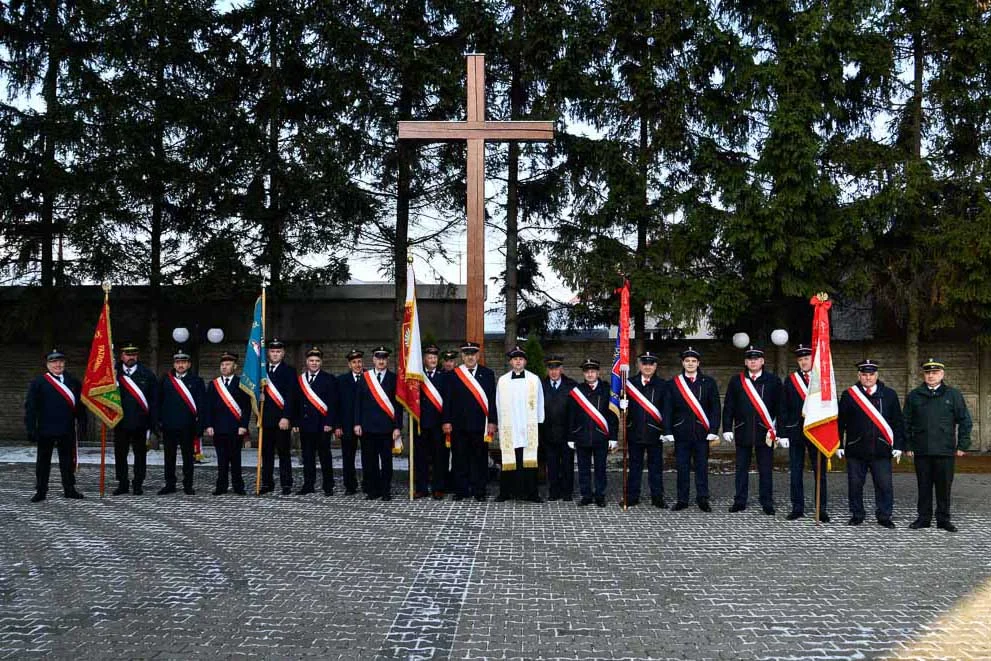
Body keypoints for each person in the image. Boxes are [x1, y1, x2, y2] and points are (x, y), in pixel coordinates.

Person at [904, 358, 973, 532]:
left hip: (945, 450)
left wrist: (963, 445)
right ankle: (923, 519)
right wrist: (908, 445)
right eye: (928, 372)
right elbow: (906, 423)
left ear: (942, 374)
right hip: (922, 449)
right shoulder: (914, 395)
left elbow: (965, 421)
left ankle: (943, 519)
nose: (931, 376)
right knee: (924, 486)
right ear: (924, 375)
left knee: (944, 487)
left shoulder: (953, 395)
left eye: (935, 373)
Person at [837, 359, 905, 528]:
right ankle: (857, 514)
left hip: (881, 449)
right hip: (856, 449)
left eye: (871, 374)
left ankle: (884, 516)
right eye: (864, 374)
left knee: (884, 485)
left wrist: (898, 445)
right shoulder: (849, 395)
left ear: (877, 375)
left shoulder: (889, 394)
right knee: (855, 485)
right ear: (859, 375)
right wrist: (839, 445)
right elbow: (840, 422)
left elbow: (897, 422)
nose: (868, 378)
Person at [722, 346, 783, 515]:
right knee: (741, 469)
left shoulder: (773, 380)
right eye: (749, 359)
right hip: (743, 430)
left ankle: (767, 502)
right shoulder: (736, 381)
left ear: (762, 361)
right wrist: (727, 428)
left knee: (766, 469)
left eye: (756, 359)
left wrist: (780, 431)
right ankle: (740, 501)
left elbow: (780, 408)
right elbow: (729, 407)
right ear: (745, 362)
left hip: (766, 433)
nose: (753, 361)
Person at [25, 349, 87, 502]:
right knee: (43, 462)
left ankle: (69, 489)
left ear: (64, 363)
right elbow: (31, 407)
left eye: (60, 361)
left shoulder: (73, 382)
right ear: (47, 365)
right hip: (46, 429)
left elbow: (80, 406)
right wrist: (31, 428)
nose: (57, 364)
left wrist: (83, 424)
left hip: (67, 429)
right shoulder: (39, 382)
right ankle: (41, 491)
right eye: (53, 362)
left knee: (67, 462)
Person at [664, 347, 720, 512]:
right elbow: (668, 409)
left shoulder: (708, 382)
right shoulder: (674, 383)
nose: (690, 364)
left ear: (698, 363)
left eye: (693, 361)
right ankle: (682, 500)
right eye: (687, 361)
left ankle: (702, 499)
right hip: (681, 433)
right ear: (682, 363)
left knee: (702, 467)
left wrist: (713, 430)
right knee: (682, 467)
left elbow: (715, 408)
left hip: (702, 433)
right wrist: (667, 431)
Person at [442, 341, 497, 502]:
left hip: (481, 425)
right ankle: (461, 490)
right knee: (460, 459)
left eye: (473, 354)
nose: (470, 357)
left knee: (479, 459)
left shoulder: (487, 374)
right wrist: (446, 421)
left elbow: (492, 400)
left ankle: (479, 490)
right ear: (462, 356)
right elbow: (448, 400)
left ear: (478, 356)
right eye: (467, 354)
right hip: (459, 426)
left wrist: (493, 421)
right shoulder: (454, 375)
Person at [781, 344, 829, 522]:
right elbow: (783, 408)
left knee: (820, 472)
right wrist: (783, 432)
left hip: (817, 431)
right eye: (800, 359)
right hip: (796, 432)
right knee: (796, 472)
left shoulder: (822, 380)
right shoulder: (790, 380)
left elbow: (831, 405)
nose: (803, 362)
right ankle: (797, 507)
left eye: (806, 358)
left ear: (812, 360)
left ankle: (821, 509)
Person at [495, 345, 545, 502]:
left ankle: (531, 493)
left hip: (527, 426)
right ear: (511, 362)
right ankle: (506, 492)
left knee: (529, 461)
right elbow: (497, 403)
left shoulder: (534, 379)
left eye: (521, 359)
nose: (518, 362)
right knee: (510, 459)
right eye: (515, 359)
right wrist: (500, 423)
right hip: (510, 427)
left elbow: (540, 401)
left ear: (525, 362)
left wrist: (539, 421)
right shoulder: (503, 381)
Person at [354, 346, 402, 500]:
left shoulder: (394, 379)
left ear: (387, 360)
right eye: (378, 358)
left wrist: (397, 426)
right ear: (373, 359)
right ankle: (373, 490)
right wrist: (357, 423)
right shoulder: (365, 378)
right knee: (370, 461)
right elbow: (358, 403)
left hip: (387, 428)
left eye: (384, 358)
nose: (381, 361)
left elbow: (398, 406)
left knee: (386, 461)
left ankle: (385, 490)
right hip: (368, 427)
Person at [567, 358, 617, 507]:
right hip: (582, 436)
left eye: (593, 371)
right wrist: (571, 436)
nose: (590, 374)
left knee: (600, 469)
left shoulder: (607, 390)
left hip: (601, 436)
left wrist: (613, 437)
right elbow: (571, 415)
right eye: (587, 371)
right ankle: (586, 495)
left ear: (598, 372)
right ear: (584, 373)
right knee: (583, 469)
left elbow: (612, 416)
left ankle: (600, 495)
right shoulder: (577, 391)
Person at [156, 347, 205, 495]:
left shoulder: (197, 381)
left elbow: (201, 405)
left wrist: (199, 426)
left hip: (187, 426)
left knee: (188, 458)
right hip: (169, 426)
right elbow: (158, 402)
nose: (180, 365)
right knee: (169, 457)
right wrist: (159, 422)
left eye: (183, 362)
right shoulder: (165, 380)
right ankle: (169, 484)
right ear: (174, 364)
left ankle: (188, 485)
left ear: (189, 364)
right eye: (178, 362)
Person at [623, 351, 668, 508]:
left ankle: (657, 497)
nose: (647, 367)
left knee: (656, 467)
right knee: (634, 467)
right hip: (635, 431)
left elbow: (667, 410)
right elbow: (621, 407)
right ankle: (632, 497)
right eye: (644, 364)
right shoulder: (629, 384)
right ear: (640, 365)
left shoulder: (663, 385)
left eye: (651, 364)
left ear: (655, 366)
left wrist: (665, 431)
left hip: (655, 433)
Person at [203, 351, 251, 496]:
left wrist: (243, 425)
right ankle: (221, 486)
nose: (224, 367)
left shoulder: (242, 384)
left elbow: (246, 407)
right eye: (222, 364)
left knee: (236, 459)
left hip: (236, 428)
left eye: (228, 364)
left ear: (235, 366)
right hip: (218, 428)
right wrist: (209, 425)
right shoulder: (214, 384)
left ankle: (238, 486)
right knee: (221, 460)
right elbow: (208, 407)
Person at [114, 342, 157, 495]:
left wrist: (153, 423)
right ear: (122, 356)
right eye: (127, 354)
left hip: (141, 422)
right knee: (120, 455)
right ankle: (122, 483)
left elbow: (153, 400)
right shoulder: (113, 373)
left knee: (140, 455)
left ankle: (138, 483)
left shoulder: (147, 374)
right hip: (120, 422)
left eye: (133, 354)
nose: (131, 357)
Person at [294, 346, 337, 495]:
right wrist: (296, 422)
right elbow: (296, 403)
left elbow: (332, 403)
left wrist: (329, 423)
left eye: (317, 361)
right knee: (307, 457)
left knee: (325, 456)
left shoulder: (329, 379)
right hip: (306, 425)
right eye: (311, 360)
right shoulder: (300, 380)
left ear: (321, 362)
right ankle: (308, 485)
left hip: (322, 425)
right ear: (307, 362)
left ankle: (328, 486)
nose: (314, 363)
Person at [260, 338, 297, 495]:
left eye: (278, 352)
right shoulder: (261, 371)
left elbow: (291, 396)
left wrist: (287, 417)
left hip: (282, 419)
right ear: (268, 353)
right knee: (266, 454)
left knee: (283, 453)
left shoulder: (289, 371)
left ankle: (286, 483)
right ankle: (267, 483)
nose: (275, 354)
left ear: (283, 354)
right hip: (265, 418)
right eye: (273, 351)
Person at [540, 355, 576, 501]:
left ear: (561, 369)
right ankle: (554, 491)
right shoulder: (540, 385)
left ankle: (567, 492)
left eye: (556, 368)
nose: (554, 372)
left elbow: (575, 411)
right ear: (547, 370)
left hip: (566, 432)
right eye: (551, 369)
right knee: (552, 465)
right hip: (547, 433)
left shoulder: (571, 385)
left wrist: (573, 434)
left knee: (567, 464)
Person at [414, 344, 447, 499]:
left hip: (438, 425)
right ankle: (421, 488)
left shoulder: (444, 377)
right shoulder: (417, 378)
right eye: (429, 357)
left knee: (438, 457)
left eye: (435, 357)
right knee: (420, 457)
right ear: (424, 360)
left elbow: (448, 402)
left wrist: (447, 421)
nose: (433, 360)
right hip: (420, 424)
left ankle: (438, 488)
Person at [334, 349, 364, 495]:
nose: (357, 365)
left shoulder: (369, 378)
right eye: (354, 362)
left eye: (359, 361)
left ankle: (368, 484)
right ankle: (350, 486)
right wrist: (337, 425)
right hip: (346, 424)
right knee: (348, 457)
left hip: (366, 424)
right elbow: (336, 404)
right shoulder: (341, 380)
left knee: (368, 456)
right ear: (349, 364)